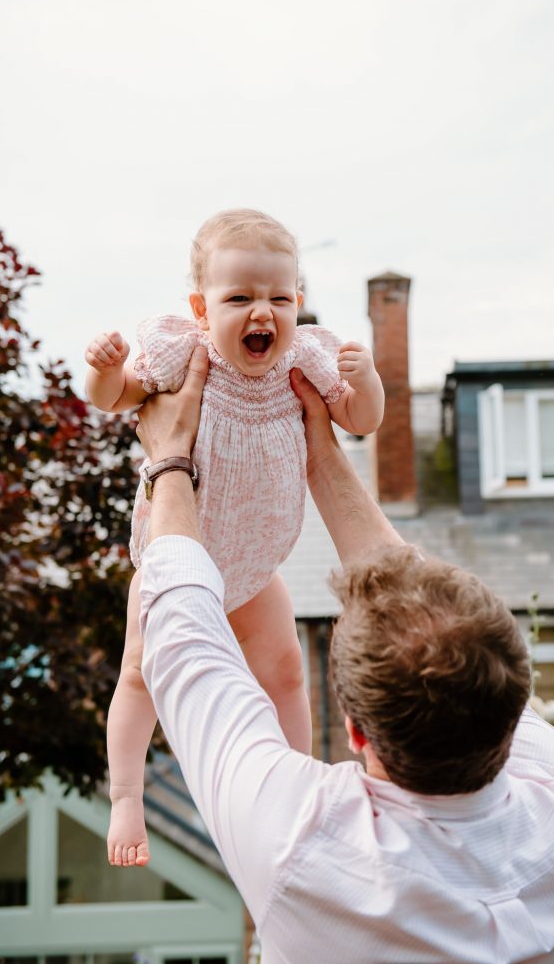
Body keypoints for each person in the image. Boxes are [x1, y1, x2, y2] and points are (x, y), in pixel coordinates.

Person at [134, 347, 554, 964]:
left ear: (356, 731)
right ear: (517, 702)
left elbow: (186, 643)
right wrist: (321, 454)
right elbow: (189, 644)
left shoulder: (302, 848)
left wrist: (169, 460)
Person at [84, 208, 384, 867]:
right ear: (200, 309)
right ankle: (126, 797)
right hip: (176, 560)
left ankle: (296, 782)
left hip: (254, 567)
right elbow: (116, 397)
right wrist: (104, 370)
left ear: (298, 303)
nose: (262, 313)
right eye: (239, 297)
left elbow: (359, 421)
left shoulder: (305, 358)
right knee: (138, 674)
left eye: (279, 297)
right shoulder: (183, 353)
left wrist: (366, 382)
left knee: (285, 673)